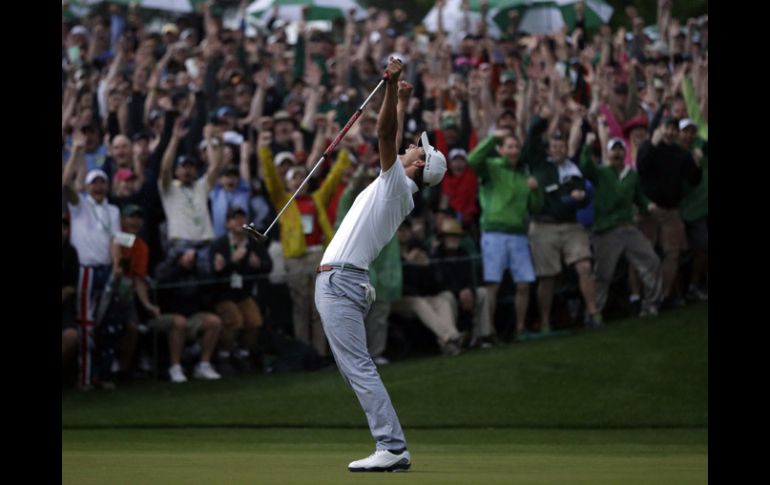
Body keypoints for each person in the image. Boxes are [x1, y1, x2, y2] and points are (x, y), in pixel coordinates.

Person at [314, 59, 446, 472]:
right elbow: (393, 135)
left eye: (418, 147)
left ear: (419, 164)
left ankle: (391, 446)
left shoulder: (394, 184)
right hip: (342, 279)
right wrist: (401, 98)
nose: (413, 144)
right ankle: (390, 444)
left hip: (340, 281)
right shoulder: (397, 186)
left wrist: (389, 88)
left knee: (359, 367)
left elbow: (386, 134)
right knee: (357, 367)